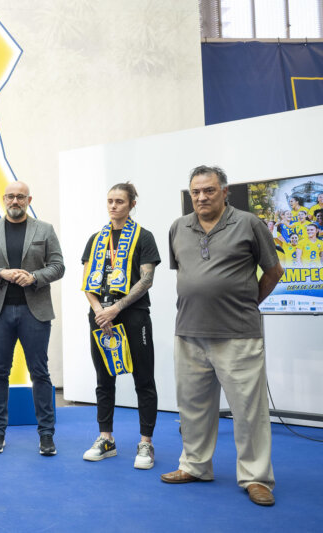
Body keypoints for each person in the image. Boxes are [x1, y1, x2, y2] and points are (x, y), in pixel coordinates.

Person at [162, 165, 284, 507]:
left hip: (238, 335)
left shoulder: (248, 223)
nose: (201, 197)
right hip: (188, 333)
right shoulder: (178, 227)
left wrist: (247, 303)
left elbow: (274, 272)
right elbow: (186, 275)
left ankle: (257, 478)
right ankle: (195, 466)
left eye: (209, 190)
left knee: (249, 412)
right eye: (196, 192)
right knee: (193, 408)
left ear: (224, 192)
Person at [0, 181, 65, 455]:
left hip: (34, 311)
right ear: (4, 199)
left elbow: (59, 266)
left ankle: (46, 435)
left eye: (20, 197)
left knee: (40, 372)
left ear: (28, 199)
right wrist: (0, 273)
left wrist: (34, 277)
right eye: (11, 197)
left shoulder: (44, 229)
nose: (15, 201)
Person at [80, 182, 160, 469]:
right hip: (101, 315)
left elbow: (147, 279)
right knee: (104, 379)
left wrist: (117, 307)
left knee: (143, 379)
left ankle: (146, 443)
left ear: (132, 204)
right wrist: (99, 310)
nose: (114, 206)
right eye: (110, 201)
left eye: (120, 202)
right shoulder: (96, 239)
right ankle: (106, 439)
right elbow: (86, 279)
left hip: (133, 313)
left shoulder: (143, 237)